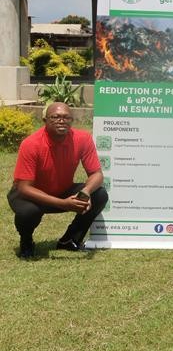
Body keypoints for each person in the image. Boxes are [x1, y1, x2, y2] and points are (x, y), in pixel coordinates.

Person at [9, 103, 108, 258]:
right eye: (55, 117)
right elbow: (24, 188)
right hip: (31, 196)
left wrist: (85, 192)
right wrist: (63, 204)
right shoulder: (31, 144)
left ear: (72, 120)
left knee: (99, 194)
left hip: (62, 190)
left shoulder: (83, 138)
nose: (61, 121)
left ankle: (69, 240)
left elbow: (97, 174)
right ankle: (26, 241)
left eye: (66, 117)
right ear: (45, 120)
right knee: (28, 212)